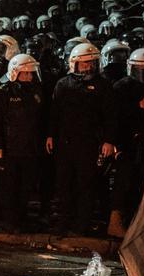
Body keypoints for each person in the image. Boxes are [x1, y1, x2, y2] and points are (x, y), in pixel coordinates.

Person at [46, 43, 117, 235]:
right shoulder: (63, 84)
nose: (88, 67)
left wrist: (109, 140)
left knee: (86, 185)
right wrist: (51, 135)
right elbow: (55, 112)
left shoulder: (103, 85)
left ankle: (82, 225)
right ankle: (63, 223)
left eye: (91, 63)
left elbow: (111, 116)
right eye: (84, 63)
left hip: (89, 144)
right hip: (65, 143)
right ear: (74, 64)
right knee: (64, 184)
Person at [0, 54, 45, 232]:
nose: (29, 76)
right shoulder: (2, 93)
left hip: (30, 148)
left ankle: (21, 218)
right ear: (15, 73)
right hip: (10, 149)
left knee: (26, 186)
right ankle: (10, 221)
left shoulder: (36, 91)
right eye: (25, 73)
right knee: (9, 186)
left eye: (31, 73)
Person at [108, 48, 144, 236]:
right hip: (126, 143)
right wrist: (139, 106)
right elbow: (114, 116)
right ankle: (116, 222)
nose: (143, 74)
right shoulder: (121, 87)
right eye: (139, 69)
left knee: (141, 183)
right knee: (123, 182)